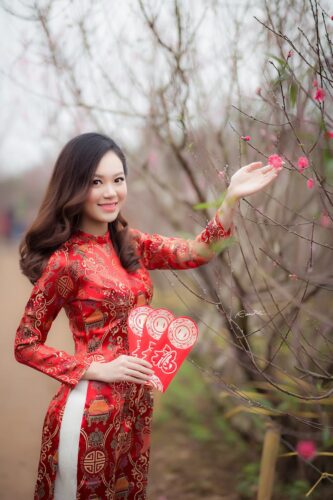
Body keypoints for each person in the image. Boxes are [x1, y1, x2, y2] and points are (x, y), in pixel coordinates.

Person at [14, 132, 281, 499]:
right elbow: (25, 344)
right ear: (74, 186)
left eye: (117, 180)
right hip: (89, 411)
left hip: (136, 407)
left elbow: (198, 251)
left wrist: (230, 198)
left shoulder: (129, 242)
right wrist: (94, 367)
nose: (111, 192)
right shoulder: (66, 262)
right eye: (96, 182)